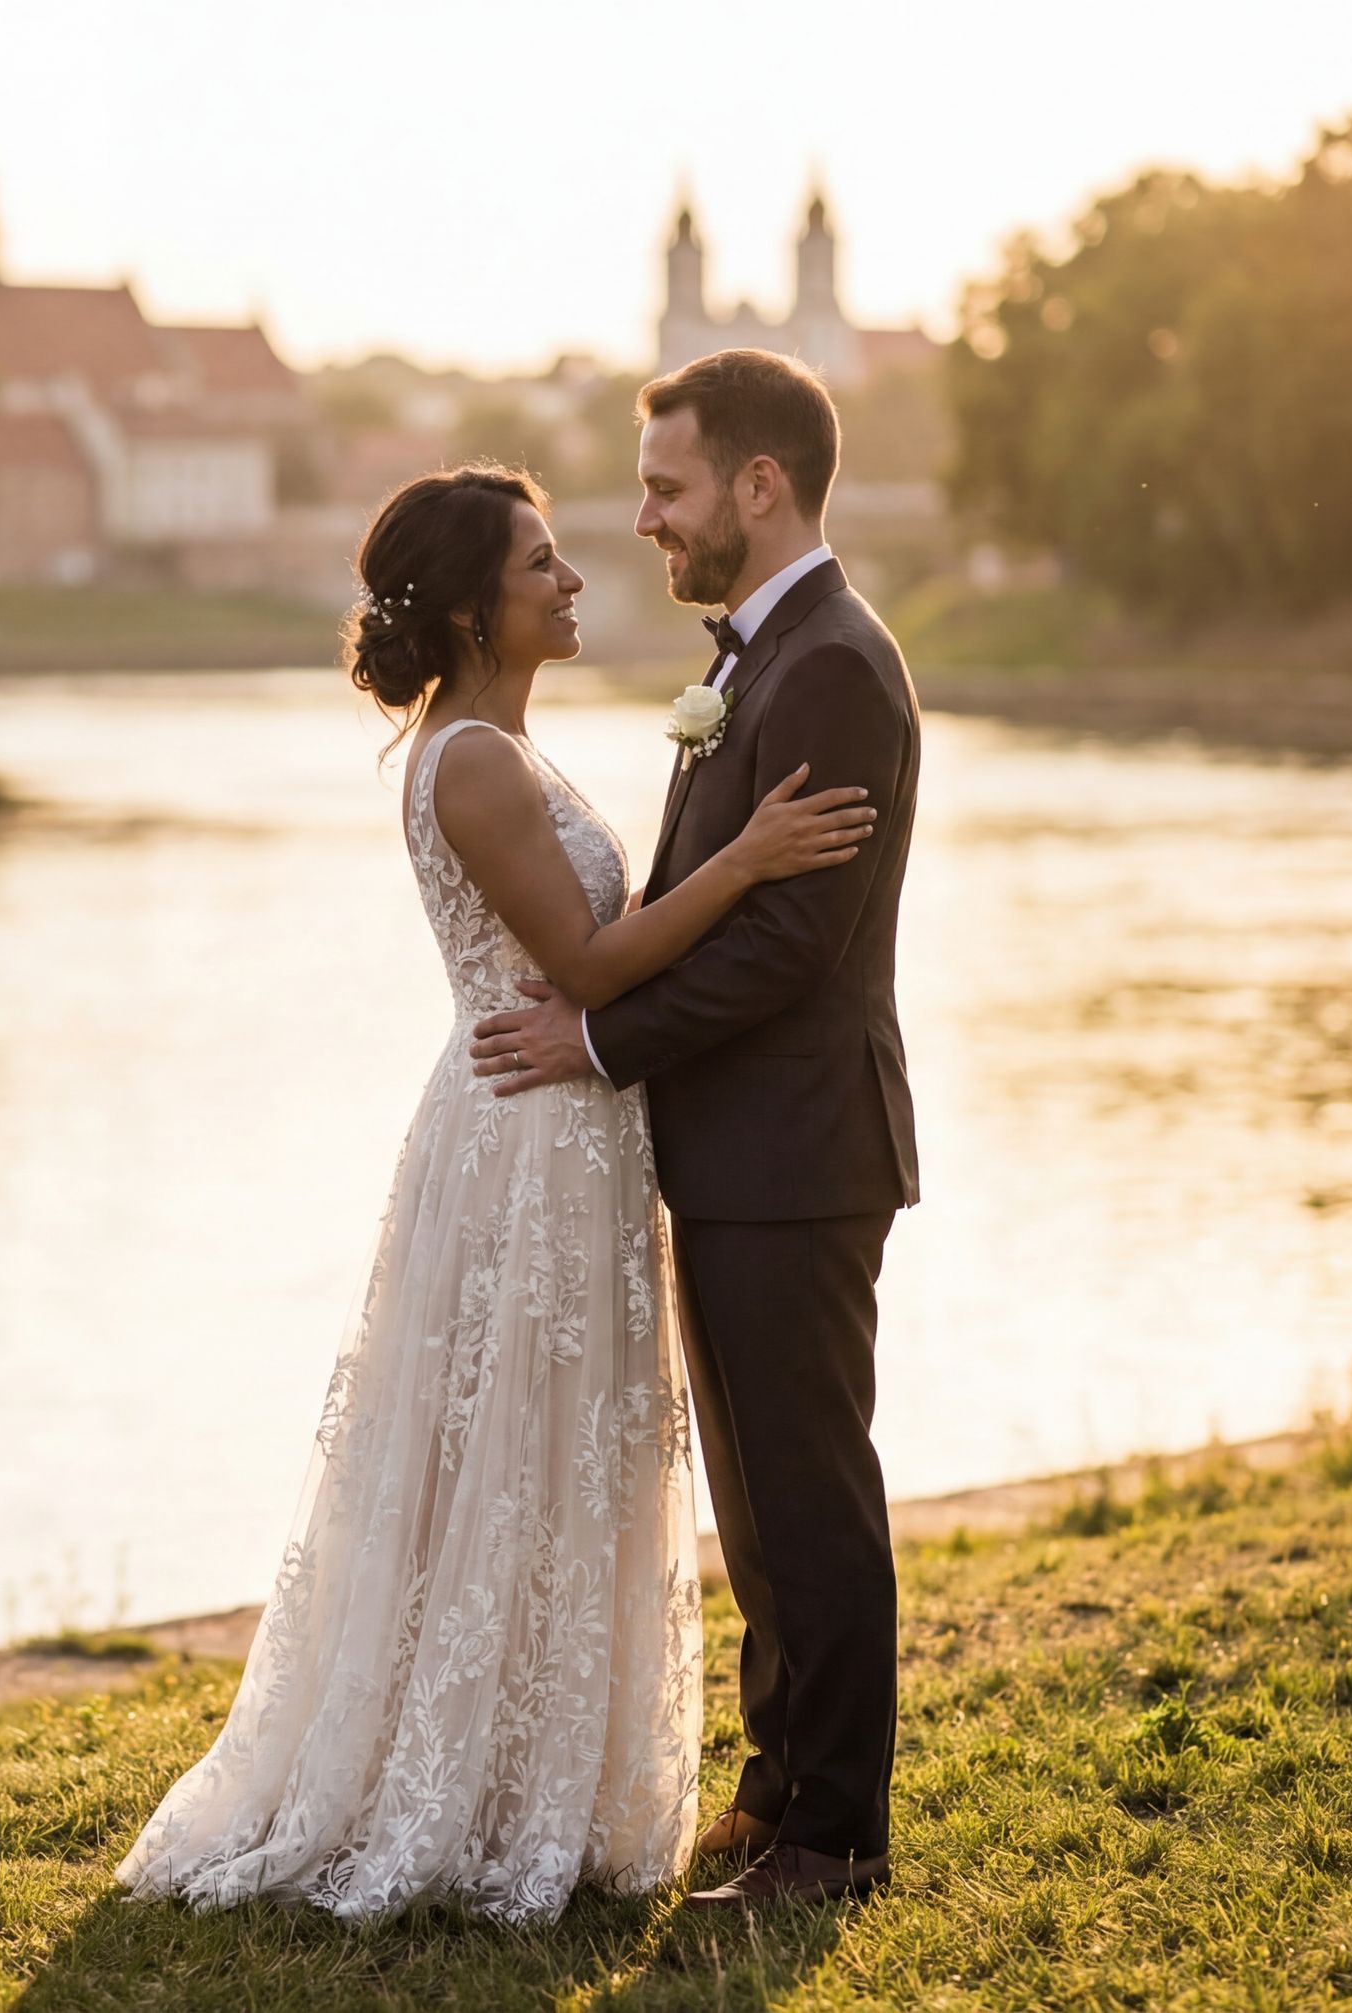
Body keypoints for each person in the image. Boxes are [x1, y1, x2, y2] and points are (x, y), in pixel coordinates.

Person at [115, 463, 877, 1924]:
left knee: (555, 1457)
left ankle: (540, 1771)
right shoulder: (468, 759)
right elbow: (590, 970)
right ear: (473, 607)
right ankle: (461, 1786)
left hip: (566, 1126)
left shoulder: (505, 745)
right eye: (542, 565)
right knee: (509, 1455)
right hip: (527, 1139)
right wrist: (754, 858)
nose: (575, 578)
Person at [470, 349, 922, 1909]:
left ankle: (836, 1838)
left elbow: (787, 947)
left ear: (758, 483)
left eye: (667, 487)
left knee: (810, 1490)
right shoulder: (754, 660)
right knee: (756, 1498)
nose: (646, 519)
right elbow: (705, 897)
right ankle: (778, 1783)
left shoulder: (832, 669)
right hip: (738, 1150)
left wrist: (594, 1038)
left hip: (800, 1151)